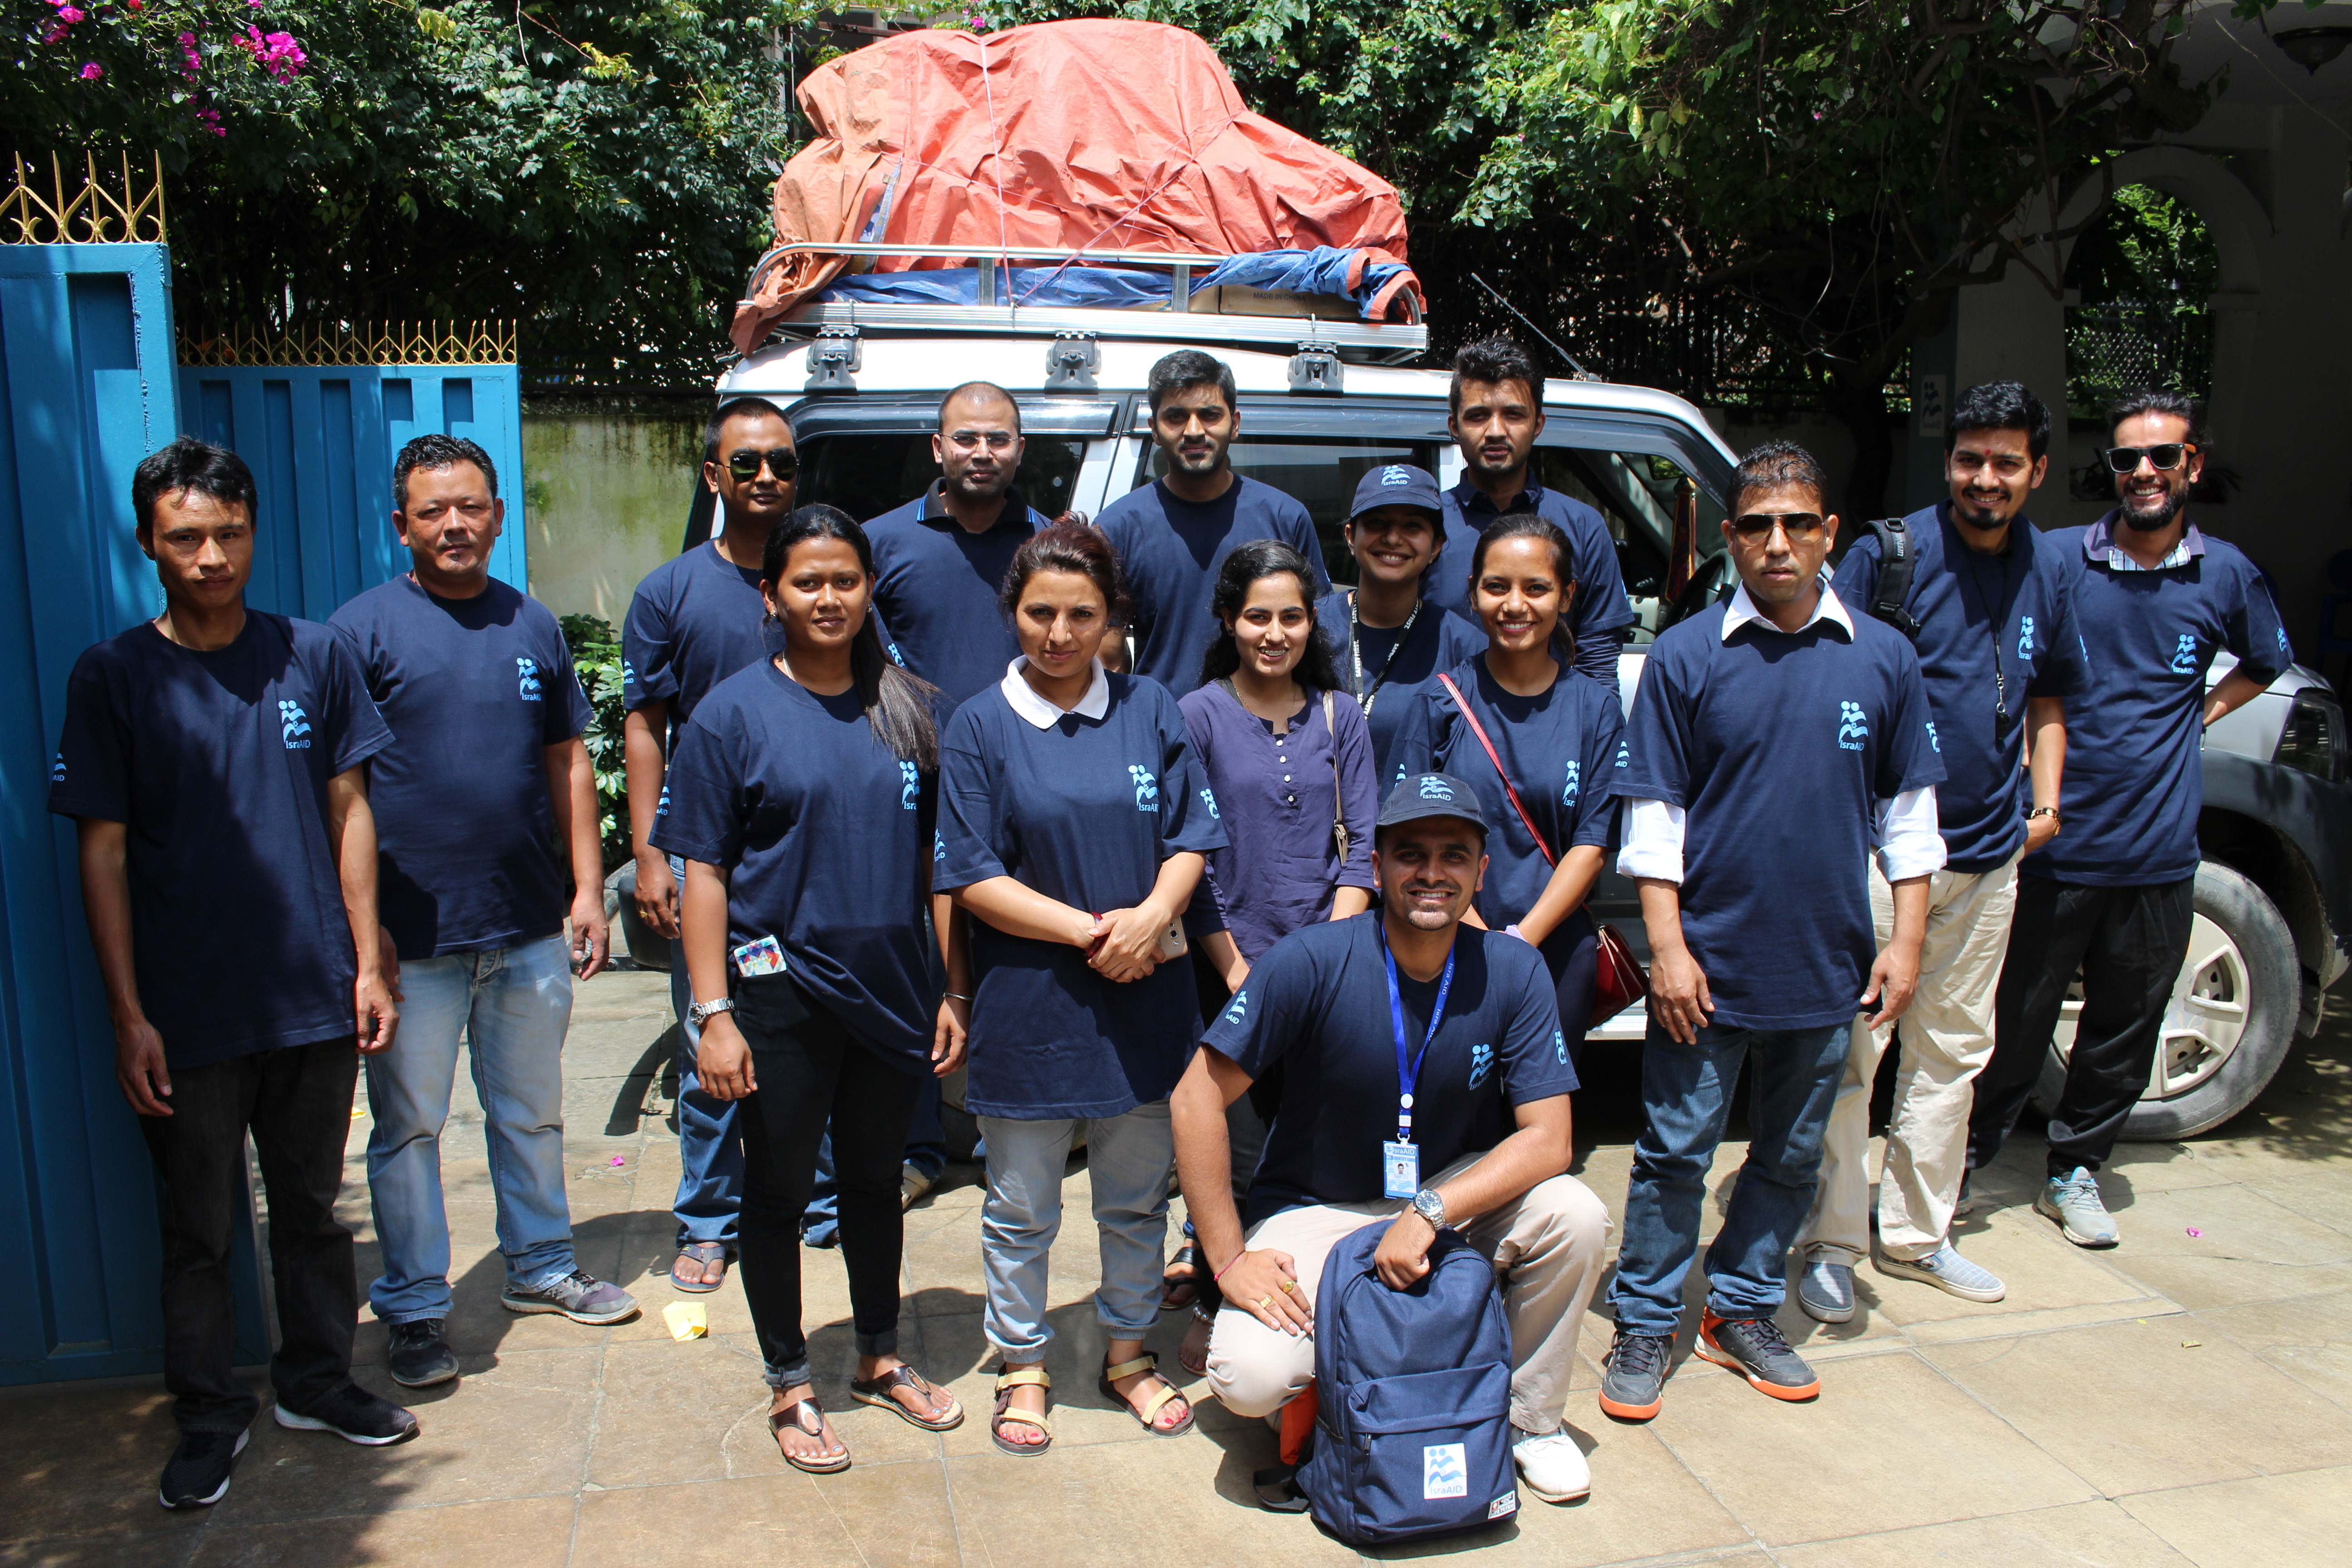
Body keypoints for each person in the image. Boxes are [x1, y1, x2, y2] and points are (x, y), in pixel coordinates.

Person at [50, 438, 416, 1511]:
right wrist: (129, 1013)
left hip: (312, 994)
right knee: (200, 1229)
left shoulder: (313, 656)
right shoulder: (114, 676)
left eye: (228, 533)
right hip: (189, 1011)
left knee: (313, 1209)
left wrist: (368, 960)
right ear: (148, 543)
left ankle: (317, 1381)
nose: (210, 556)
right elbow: (102, 852)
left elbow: (351, 810)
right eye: (185, 537)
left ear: (254, 533)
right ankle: (210, 1412)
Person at [1600, 440, 1945, 1421]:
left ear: (1830, 533)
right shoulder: (1685, 657)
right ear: (1732, 537)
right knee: (1675, 1153)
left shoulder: (1881, 657)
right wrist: (1668, 951)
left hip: (1825, 964)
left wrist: (1905, 943)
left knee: (1791, 1156)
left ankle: (1740, 1308)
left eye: (1798, 524)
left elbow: (1909, 819)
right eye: (1756, 526)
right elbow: (1653, 822)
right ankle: (1645, 1315)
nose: (1778, 543)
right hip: (1704, 969)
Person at [1175, 774, 1610, 1505]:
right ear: (1376, 868)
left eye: (1453, 855)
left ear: (1481, 871)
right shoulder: (1311, 958)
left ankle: (1529, 1420)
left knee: (1576, 1214)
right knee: (1248, 1380)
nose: (1432, 873)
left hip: (1447, 1196)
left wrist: (1430, 1211)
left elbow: (1550, 1140)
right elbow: (1194, 1098)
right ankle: (1359, 1387)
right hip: (1319, 1205)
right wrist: (1227, 1261)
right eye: (1410, 854)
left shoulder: (1513, 967)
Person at [654, 505, 969, 1472]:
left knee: (876, 1182)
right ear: (772, 595)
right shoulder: (731, 714)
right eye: (806, 582)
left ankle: (878, 1354)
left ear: (869, 590)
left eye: (844, 580)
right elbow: (704, 871)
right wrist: (713, 1014)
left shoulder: (911, 708)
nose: (827, 598)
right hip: (777, 996)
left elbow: (940, 867)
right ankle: (790, 1381)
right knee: (780, 1189)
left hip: (891, 994)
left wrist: (949, 989)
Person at [331, 435, 636, 1392]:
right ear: (402, 526)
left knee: (531, 1113)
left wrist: (586, 890)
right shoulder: (359, 633)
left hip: (527, 926)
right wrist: (366, 934)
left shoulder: (530, 624)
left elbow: (568, 761)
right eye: (433, 511)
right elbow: (341, 793)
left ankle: (540, 1266)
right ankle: (415, 1305)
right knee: (408, 1130)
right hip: (413, 941)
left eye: (471, 507)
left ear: (498, 517)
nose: (454, 525)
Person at [1788, 383, 2087, 1324]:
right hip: (1880, 863)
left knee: (1952, 1056)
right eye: (1969, 459)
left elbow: (2048, 695)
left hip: (1989, 860)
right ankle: (1830, 1243)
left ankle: (1917, 1237)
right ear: (1947, 462)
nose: (1984, 479)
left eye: (2006, 462)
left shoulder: (2048, 566)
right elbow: (1818, 678)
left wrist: (2045, 806)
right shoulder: (1890, 557)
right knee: (1852, 1056)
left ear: (2036, 470)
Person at [1967, 391, 2288, 1248]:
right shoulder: (2057, 557)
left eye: (2161, 456)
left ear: (2192, 465)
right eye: (2125, 458)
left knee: (2122, 1028)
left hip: (2157, 852)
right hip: (2052, 846)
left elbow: (2265, 659)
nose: (2143, 471)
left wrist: (2201, 713)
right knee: (2010, 1026)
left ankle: (2074, 1170)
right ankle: (1959, 1167)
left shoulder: (2224, 574)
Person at [933, 523, 1227, 1454]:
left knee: (1136, 1200)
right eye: (1039, 613)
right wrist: (1096, 932)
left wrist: (1153, 916)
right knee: (1021, 1206)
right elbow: (969, 874)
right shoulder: (979, 724)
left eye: (1081, 614)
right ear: (1011, 612)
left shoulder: (1150, 707)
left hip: (1147, 1002)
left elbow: (1191, 837)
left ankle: (1127, 1352)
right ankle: (1022, 1363)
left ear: (1112, 619)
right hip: (1031, 1008)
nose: (1059, 634)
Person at [1162, 540, 1379, 1370]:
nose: (1275, 632)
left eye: (1291, 616)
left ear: (1312, 622)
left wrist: (1328, 963)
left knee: (1312, 1149)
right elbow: (1191, 857)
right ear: (1228, 620)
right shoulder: (1196, 715)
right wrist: (1238, 975)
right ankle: (1220, 1298)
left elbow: (1362, 852)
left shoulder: (1339, 714)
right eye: (1257, 616)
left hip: (1327, 973)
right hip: (1229, 971)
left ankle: (1304, 1296)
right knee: (1236, 1151)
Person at [622, 397, 796, 1293]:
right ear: (713, 476)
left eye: (781, 463)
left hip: (804, 852)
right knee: (708, 1034)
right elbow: (645, 727)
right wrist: (651, 853)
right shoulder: (671, 591)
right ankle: (707, 1221)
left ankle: (814, 1201)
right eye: (746, 462)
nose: (765, 476)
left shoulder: (824, 575)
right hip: (708, 855)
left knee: (808, 1031)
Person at [1388, 512, 1627, 1069]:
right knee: (1449, 1104)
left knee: (1541, 1107)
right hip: (1440, 943)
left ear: (1567, 596)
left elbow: (1592, 846)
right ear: (1473, 594)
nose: (1515, 605)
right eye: (1497, 586)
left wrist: (1521, 942)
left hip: (1556, 952)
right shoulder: (1440, 702)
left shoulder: (1596, 710)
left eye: (1536, 588)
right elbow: (1402, 833)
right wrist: (1476, 936)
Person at [1095, 350, 1328, 694]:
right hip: (1163, 722)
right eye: (1176, 417)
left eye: (1209, 415)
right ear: (1154, 429)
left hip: (1268, 722)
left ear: (1235, 424)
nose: (1194, 431)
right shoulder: (1118, 528)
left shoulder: (1285, 518)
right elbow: (1107, 659)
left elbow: (1318, 633)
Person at [1429, 337, 1635, 693]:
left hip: (1553, 722)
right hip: (1447, 721)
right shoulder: (1426, 526)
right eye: (1478, 416)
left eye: (1513, 415)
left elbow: (1598, 661)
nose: (1496, 431)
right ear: (1454, 426)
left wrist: (1596, 725)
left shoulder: (1583, 526)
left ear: (1538, 424)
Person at [1316, 465, 1486, 782]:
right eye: (1377, 523)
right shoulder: (1306, 628)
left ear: (1436, 545)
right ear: (1351, 536)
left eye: (1412, 526)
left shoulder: (1465, 648)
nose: (1393, 538)